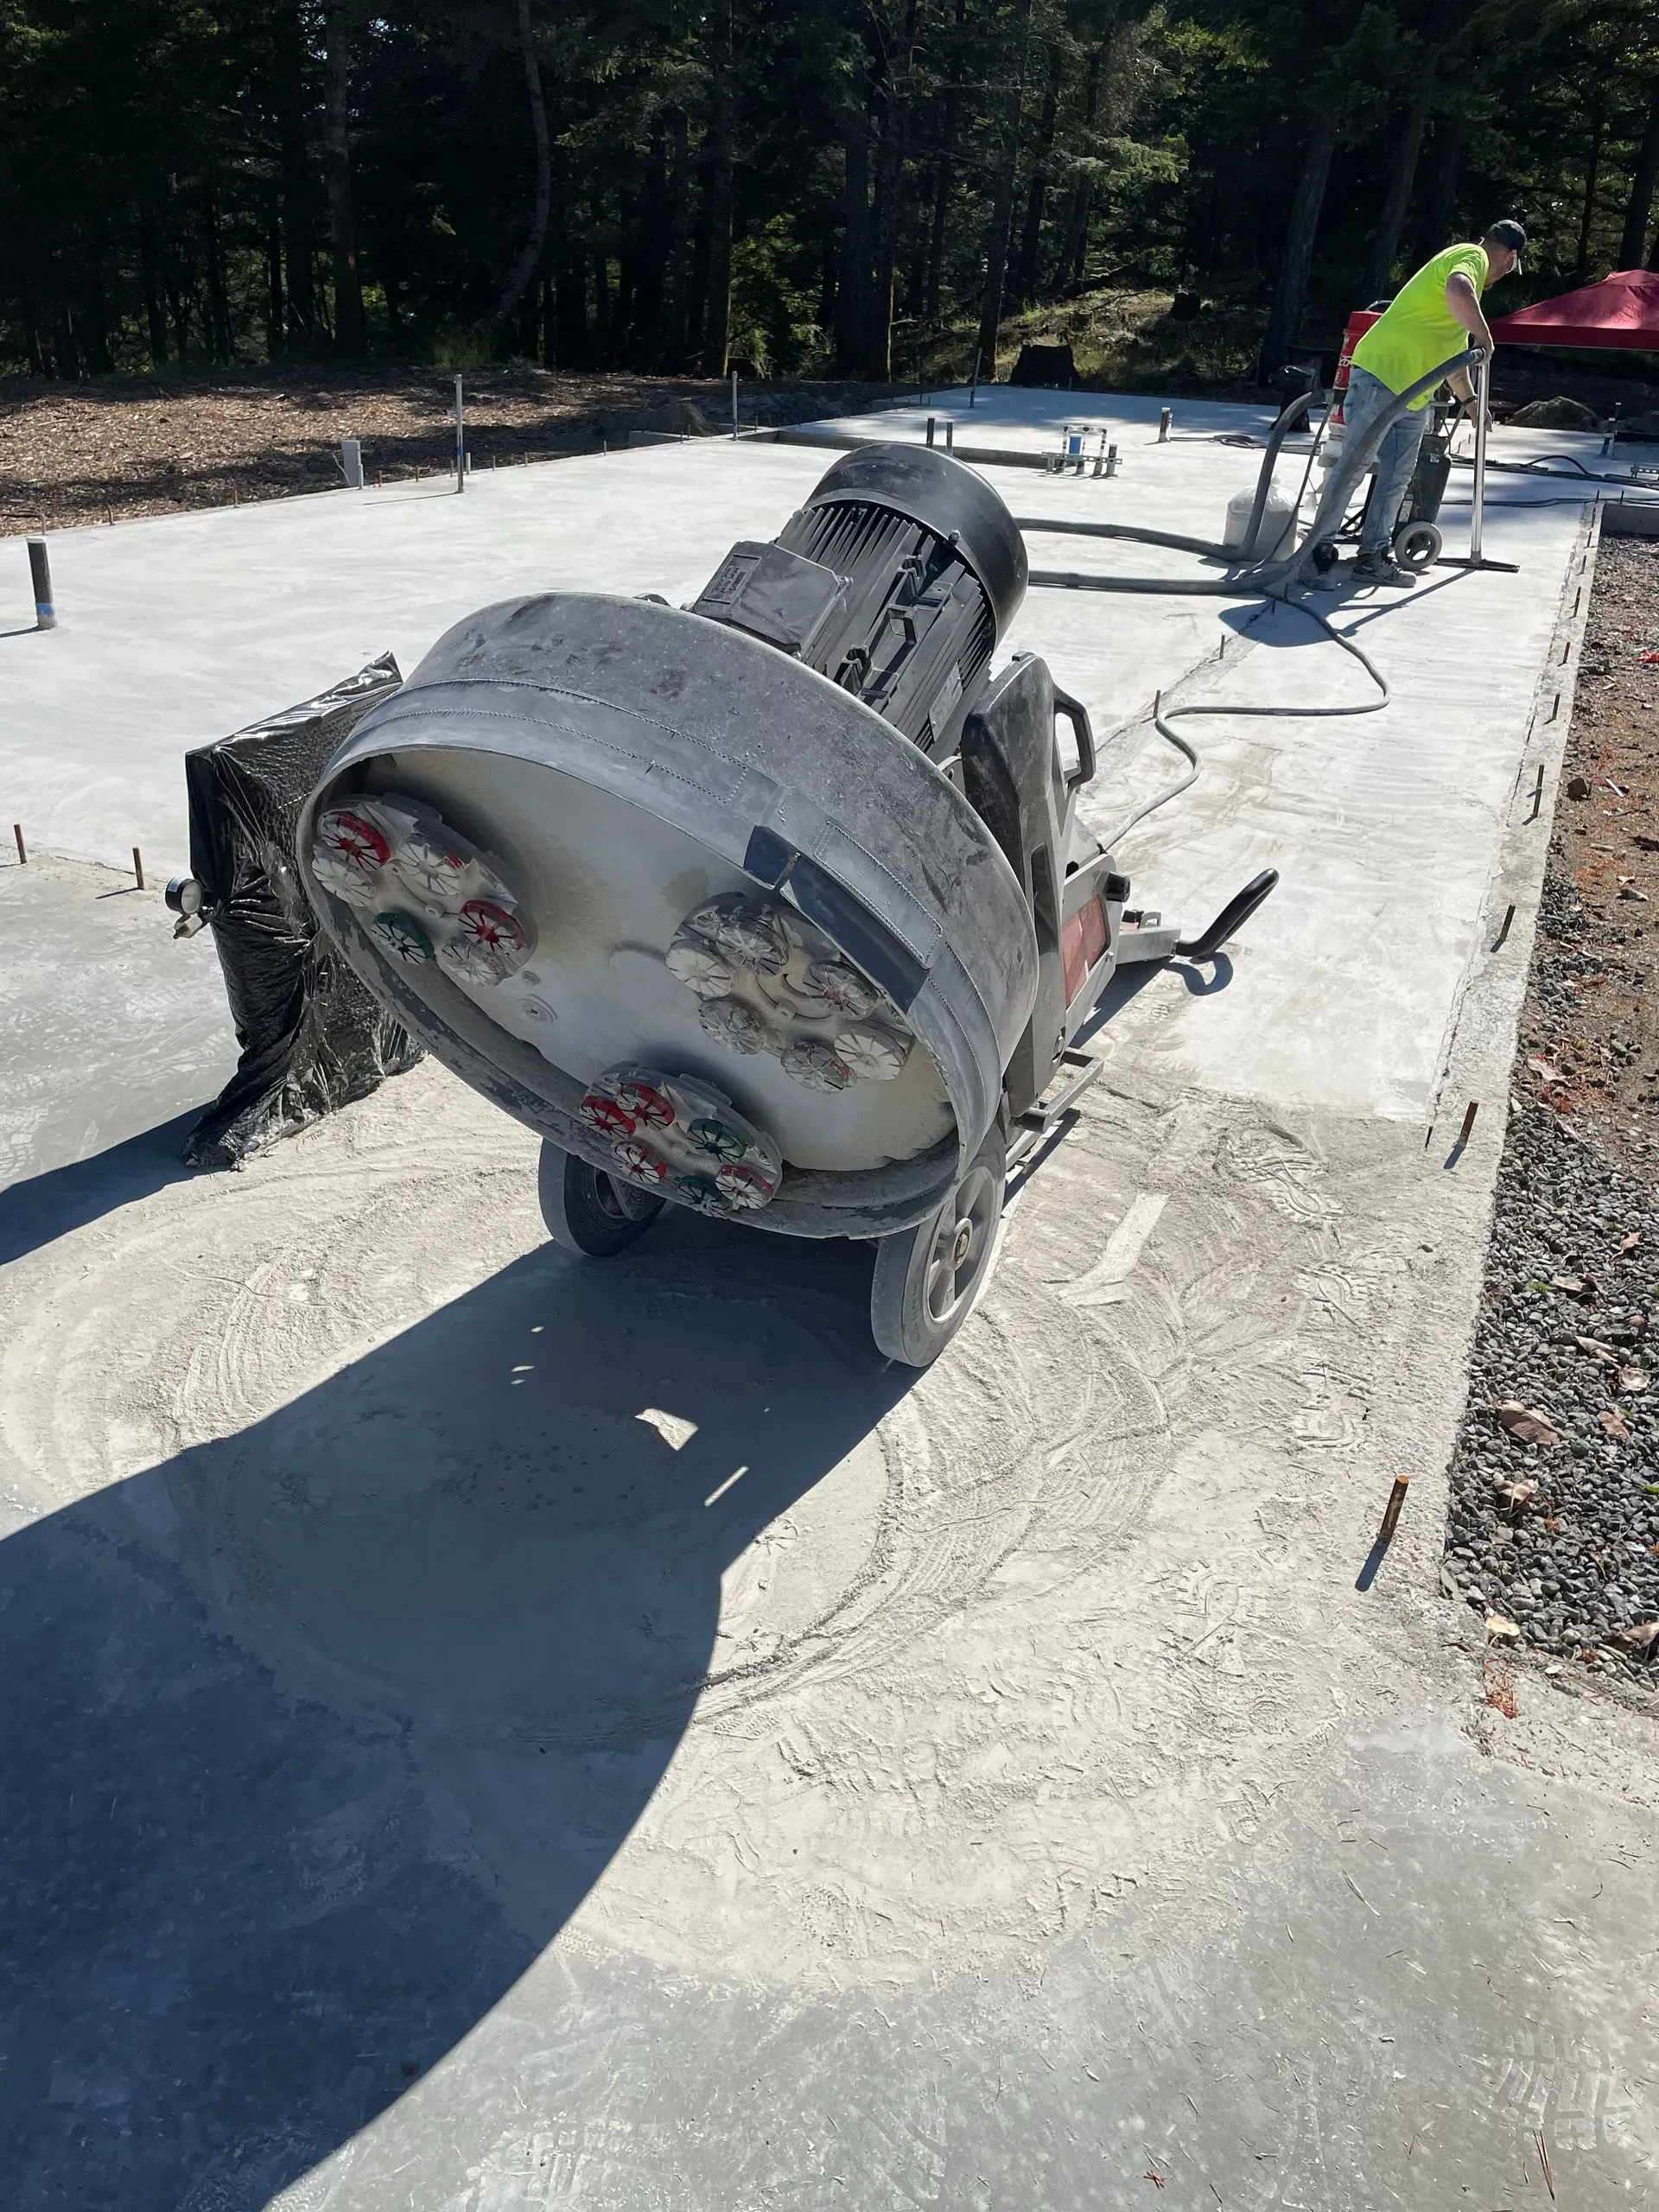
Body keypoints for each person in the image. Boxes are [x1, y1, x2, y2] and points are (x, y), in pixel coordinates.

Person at [1307, 219, 1526, 586]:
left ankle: (1372, 557)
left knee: (1397, 477)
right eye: (1510, 266)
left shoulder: (1466, 302)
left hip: (1412, 396)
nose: (1505, 273)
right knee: (1354, 466)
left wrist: (1471, 403)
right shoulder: (1470, 257)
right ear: (1508, 256)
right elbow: (1459, 287)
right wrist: (1485, 337)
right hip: (1382, 377)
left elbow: (1455, 361)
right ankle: (1316, 555)